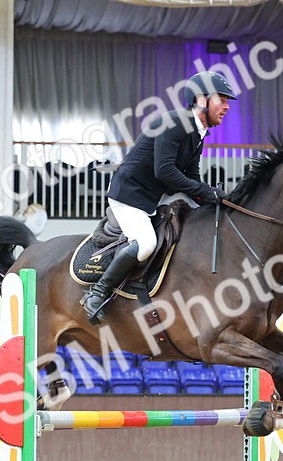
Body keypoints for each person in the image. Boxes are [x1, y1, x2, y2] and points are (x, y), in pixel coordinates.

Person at [82, 71, 236, 324]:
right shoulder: (174, 122)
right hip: (129, 195)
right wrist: (205, 191)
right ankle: (97, 293)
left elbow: (191, 174)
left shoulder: (198, 133)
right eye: (221, 99)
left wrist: (212, 200)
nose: (227, 106)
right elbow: (164, 171)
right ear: (201, 100)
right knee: (145, 244)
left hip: (151, 199)